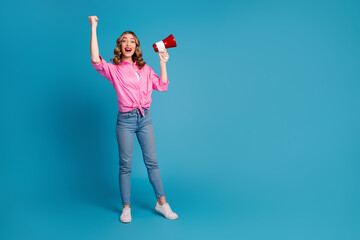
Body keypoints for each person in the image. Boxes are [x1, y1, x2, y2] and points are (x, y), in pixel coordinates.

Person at [88, 16, 178, 223]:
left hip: (145, 119)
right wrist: (94, 27)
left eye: (132, 40)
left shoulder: (144, 69)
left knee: (152, 163)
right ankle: (126, 208)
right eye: (124, 40)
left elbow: (162, 85)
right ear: (120, 45)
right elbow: (95, 59)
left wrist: (162, 63)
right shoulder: (114, 69)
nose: (128, 43)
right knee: (125, 165)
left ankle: (162, 203)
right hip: (126, 121)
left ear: (136, 46)